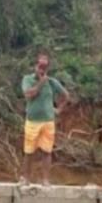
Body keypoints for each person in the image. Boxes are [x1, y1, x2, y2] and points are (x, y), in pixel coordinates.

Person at [21, 53, 70, 185]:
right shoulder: (27, 79)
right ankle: (25, 178)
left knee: (47, 151)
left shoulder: (53, 82)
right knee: (29, 151)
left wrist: (58, 109)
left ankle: (45, 179)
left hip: (48, 121)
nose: (42, 69)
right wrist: (41, 83)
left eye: (45, 66)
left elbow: (66, 95)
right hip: (32, 121)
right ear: (35, 66)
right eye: (40, 66)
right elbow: (29, 95)